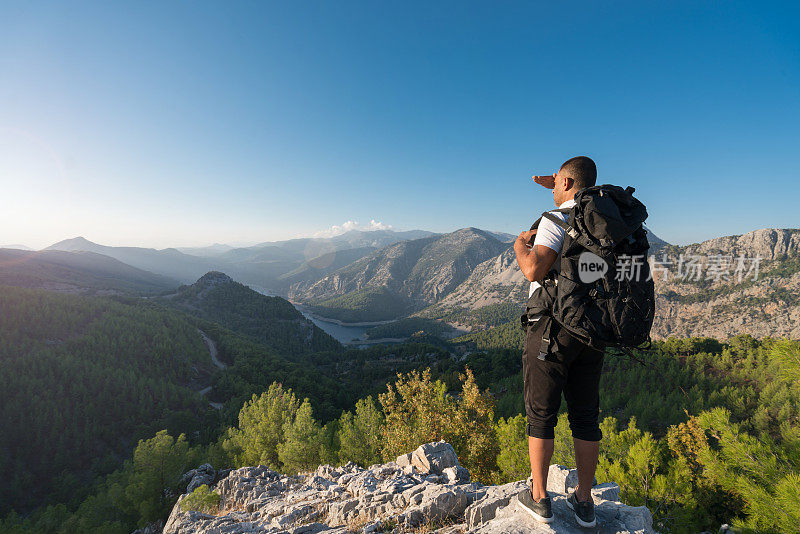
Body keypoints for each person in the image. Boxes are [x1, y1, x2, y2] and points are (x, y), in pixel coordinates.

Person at [512, 156, 603, 528]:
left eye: (555, 184)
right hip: (592, 330)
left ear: (566, 183)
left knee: (541, 414)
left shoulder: (556, 219)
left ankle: (539, 498)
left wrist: (519, 244)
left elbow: (535, 269)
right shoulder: (604, 226)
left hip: (551, 329)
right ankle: (584, 501)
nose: (551, 190)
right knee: (585, 415)